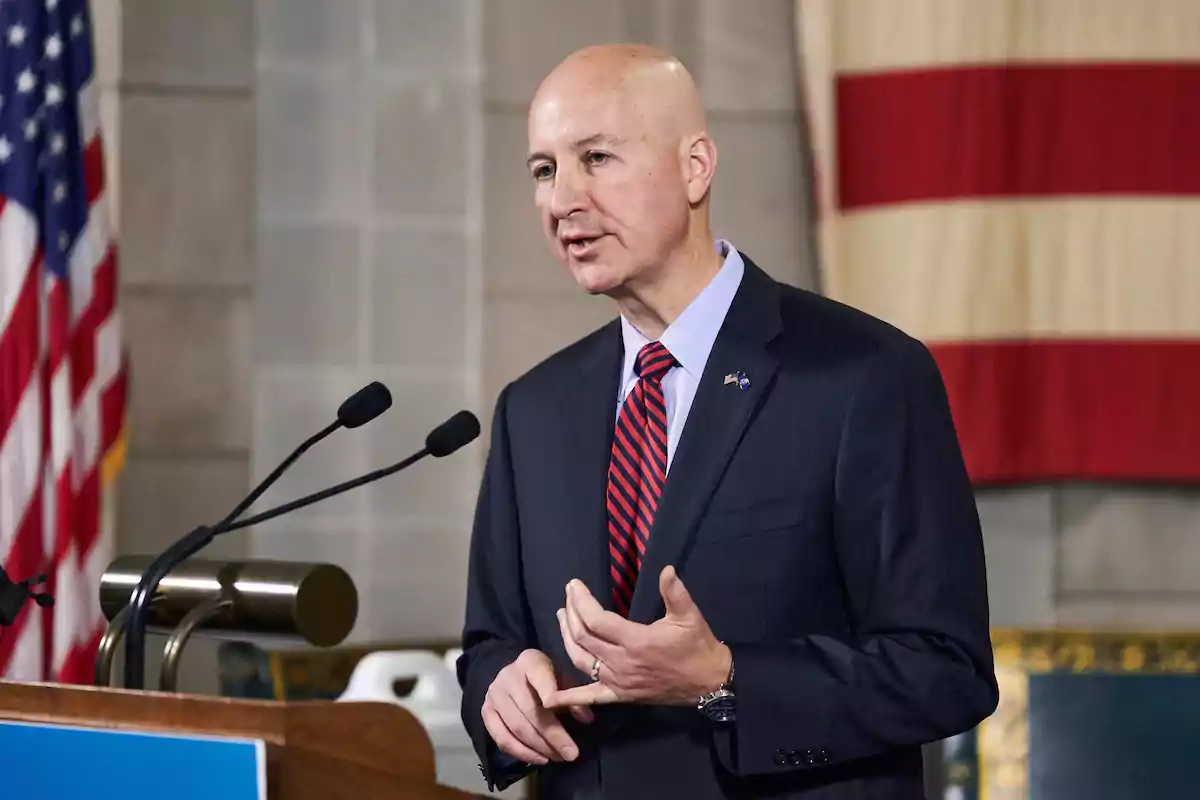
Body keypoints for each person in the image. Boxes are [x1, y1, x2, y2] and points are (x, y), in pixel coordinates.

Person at [456, 43, 998, 800]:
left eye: (597, 158)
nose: (562, 199)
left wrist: (724, 679)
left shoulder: (862, 375)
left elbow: (946, 670)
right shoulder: (533, 410)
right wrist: (500, 689)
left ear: (695, 167)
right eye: (544, 170)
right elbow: (490, 641)